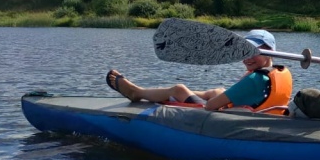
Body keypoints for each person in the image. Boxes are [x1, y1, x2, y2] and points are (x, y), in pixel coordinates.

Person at [105, 29, 293, 115]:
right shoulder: (280, 72)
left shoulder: (253, 79)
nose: (247, 57)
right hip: (262, 112)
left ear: (270, 52)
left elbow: (210, 107)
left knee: (179, 89)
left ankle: (136, 93)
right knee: (217, 90)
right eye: (244, 51)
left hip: (229, 117)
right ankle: (161, 94)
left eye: (254, 52)